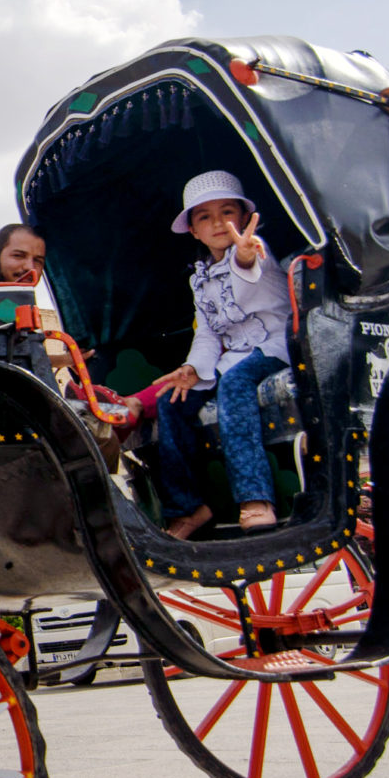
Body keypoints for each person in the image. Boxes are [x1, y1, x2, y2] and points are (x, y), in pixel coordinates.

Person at [154, 170, 290, 538]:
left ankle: (255, 498)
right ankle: (189, 507)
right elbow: (209, 334)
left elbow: (251, 271)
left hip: (273, 348)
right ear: (194, 230)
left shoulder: (254, 249)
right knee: (171, 402)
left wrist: (245, 257)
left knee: (234, 384)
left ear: (244, 219)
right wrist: (192, 368)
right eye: (204, 216)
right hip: (231, 358)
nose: (217, 223)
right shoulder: (199, 278)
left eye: (227, 212)